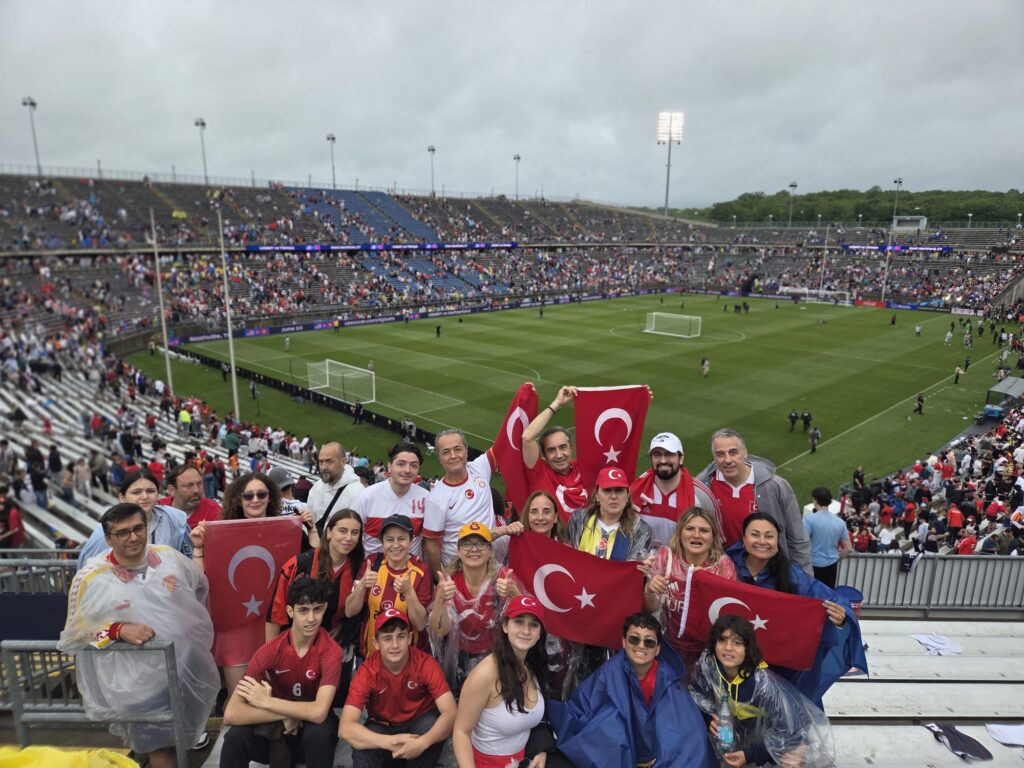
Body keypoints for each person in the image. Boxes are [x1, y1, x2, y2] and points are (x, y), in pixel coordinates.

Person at [59, 503, 219, 768]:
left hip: (180, 671)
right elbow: (74, 634)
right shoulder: (91, 576)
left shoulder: (168, 557)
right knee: (162, 750)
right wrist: (116, 630)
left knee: (180, 743)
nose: (133, 537)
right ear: (108, 539)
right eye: (122, 533)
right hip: (135, 685)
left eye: (138, 528)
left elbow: (198, 583)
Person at [726, 513, 867, 706]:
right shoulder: (725, 567)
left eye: (769, 536)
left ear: (777, 542)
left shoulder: (791, 575)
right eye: (755, 534)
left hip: (777, 668)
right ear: (743, 538)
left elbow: (831, 598)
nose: (762, 541)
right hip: (731, 664)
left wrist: (842, 616)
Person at [552, 613, 713, 768]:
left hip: (661, 759)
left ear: (657, 649)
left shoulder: (670, 681)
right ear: (624, 642)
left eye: (649, 642)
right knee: (609, 719)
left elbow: (690, 733)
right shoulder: (607, 674)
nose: (641, 646)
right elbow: (580, 712)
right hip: (619, 760)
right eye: (634, 639)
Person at [221, 578, 341, 768]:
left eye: (317, 609)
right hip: (278, 730)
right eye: (303, 610)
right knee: (235, 737)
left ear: (325, 608)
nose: (311, 618)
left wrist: (267, 702)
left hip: (310, 737)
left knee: (320, 732)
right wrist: (282, 715)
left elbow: (318, 712)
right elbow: (232, 713)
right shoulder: (269, 651)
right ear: (290, 611)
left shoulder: (331, 651)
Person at [689, 615, 835, 768]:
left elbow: (790, 732)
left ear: (747, 649)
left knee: (791, 759)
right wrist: (708, 719)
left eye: (737, 643)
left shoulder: (762, 685)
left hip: (779, 740)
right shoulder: (709, 669)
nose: (728, 647)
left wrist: (749, 755)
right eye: (722, 640)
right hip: (736, 738)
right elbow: (696, 699)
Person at [564, 466, 653, 694]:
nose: (613, 496)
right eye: (608, 490)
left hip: (613, 616)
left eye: (619, 491)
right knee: (575, 672)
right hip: (579, 610)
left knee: (609, 678)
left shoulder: (639, 529)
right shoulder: (579, 520)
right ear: (597, 494)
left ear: (627, 495)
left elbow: (632, 576)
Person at [267, 509, 364, 707]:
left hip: (335, 651)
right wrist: (270, 657)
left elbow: (356, 612)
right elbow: (275, 612)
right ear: (329, 532)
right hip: (295, 651)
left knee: (330, 709)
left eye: (355, 533)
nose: (348, 538)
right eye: (342, 531)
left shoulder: (359, 568)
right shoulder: (301, 564)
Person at [340, 608, 457, 768]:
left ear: (409, 638)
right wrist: (388, 742)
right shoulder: (367, 671)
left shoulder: (424, 663)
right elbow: (345, 728)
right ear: (376, 643)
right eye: (387, 639)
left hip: (418, 723)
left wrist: (423, 742)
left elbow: (450, 712)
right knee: (362, 745)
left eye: (401, 637)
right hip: (383, 726)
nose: (395, 645)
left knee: (429, 725)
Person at [453, 595, 561, 768]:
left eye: (533, 624)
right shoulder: (485, 674)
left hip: (523, 761)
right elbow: (461, 733)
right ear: (505, 626)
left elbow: (534, 720)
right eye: (519, 621)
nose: (526, 631)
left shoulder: (533, 665)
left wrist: (540, 749)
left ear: (540, 632)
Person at [698, 428, 811, 573]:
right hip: (723, 572)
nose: (728, 460)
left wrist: (804, 579)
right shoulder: (703, 487)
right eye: (720, 454)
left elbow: (797, 538)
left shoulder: (775, 486)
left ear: (745, 453)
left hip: (768, 573)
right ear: (714, 457)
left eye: (733, 452)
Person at [429, 523, 521, 695]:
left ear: (490, 551)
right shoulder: (449, 582)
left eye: (480, 544)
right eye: (467, 544)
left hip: (496, 656)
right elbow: (439, 630)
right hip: (459, 659)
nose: (474, 549)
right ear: (458, 550)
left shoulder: (502, 578)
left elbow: (526, 619)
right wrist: (441, 600)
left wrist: (513, 593)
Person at [643, 507, 737, 670]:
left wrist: (709, 585)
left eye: (704, 530)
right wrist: (650, 591)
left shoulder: (723, 566)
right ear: (680, 533)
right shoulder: (666, 556)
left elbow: (728, 619)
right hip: (666, 647)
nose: (696, 535)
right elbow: (649, 609)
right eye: (690, 529)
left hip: (707, 653)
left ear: (713, 536)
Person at [346, 514, 433, 659]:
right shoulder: (372, 564)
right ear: (382, 542)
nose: (396, 545)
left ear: (411, 540)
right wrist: (362, 585)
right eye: (389, 539)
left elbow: (420, 625)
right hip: (371, 656)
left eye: (402, 539)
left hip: (410, 660)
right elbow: (350, 611)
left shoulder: (421, 570)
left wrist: (409, 593)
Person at [77, 468, 192, 569]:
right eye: (136, 492)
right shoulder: (106, 530)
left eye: (151, 491)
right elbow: (86, 571)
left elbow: (188, 557)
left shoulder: (174, 518)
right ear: (122, 497)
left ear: (158, 494)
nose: (145, 497)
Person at [423, 429, 500, 574]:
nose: (453, 456)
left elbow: (505, 441)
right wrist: (440, 579)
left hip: (490, 565)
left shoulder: (479, 468)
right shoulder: (435, 498)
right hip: (458, 571)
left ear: (466, 451)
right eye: (446, 452)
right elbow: (431, 545)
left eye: (457, 449)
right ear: (439, 458)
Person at [630, 432, 718, 549]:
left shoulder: (701, 495)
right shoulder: (634, 491)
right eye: (657, 454)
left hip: (685, 565)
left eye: (669, 454)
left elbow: (715, 541)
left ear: (681, 458)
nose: (662, 460)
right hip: (643, 564)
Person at [353, 443, 439, 559]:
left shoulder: (427, 498)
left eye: (413, 465)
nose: (407, 470)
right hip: (373, 573)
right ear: (389, 466)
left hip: (412, 573)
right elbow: (352, 536)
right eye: (401, 464)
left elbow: (430, 542)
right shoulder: (367, 496)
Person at [520, 385, 588, 520]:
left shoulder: (584, 466)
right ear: (544, 455)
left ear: (571, 448)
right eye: (551, 450)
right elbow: (527, 438)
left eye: (563, 447)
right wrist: (557, 403)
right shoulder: (540, 473)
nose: (559, 455)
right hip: (557, 540)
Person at [308, 442, 364, 533]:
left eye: (329, 461)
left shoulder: (357, 492)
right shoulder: (318, 485)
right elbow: (311, 514)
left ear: (343, 461)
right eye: (321, 461)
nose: (323, 467)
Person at [803, 487, 852, 589]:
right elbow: (848, 549)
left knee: (812, 598)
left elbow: (801, 544)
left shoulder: (809, 519)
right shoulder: (840, 522)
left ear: (815, 500)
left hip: (814, 566)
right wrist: (834, 557)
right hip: (832, 566)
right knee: (827, 599)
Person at [161, 464, 222, 529]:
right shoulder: (157, 509)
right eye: (189, 485)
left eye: (199, 484)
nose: (196, 490)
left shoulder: (215, 513)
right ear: (172, 490)